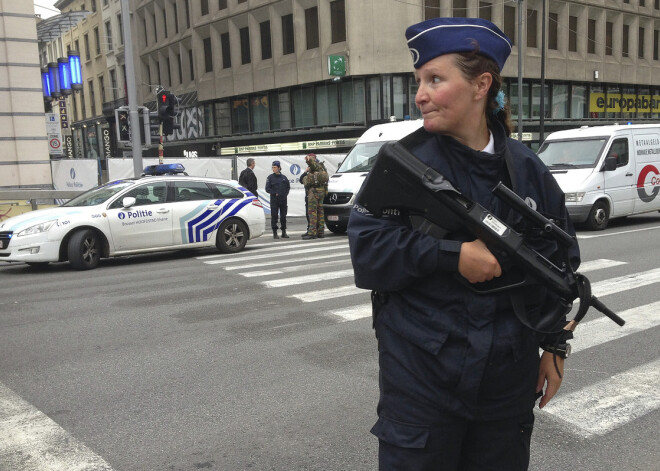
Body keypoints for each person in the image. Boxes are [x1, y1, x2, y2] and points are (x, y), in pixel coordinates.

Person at [347, 17, 580, 471]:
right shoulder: (403, 164)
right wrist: (453, 256)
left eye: (435, 79)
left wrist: (554, 345)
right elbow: (368, 251)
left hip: (506, 381)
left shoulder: (528, 169)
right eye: (419, 81)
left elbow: (559, 264)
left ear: (481, 85)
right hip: (421, 376)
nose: (420, 95)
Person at [301, 153, 327, 240]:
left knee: (312, 213)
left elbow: (312, 164)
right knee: (320, 212)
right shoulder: (322, 166)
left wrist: (309, 160)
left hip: (314, 192)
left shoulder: (315, 166)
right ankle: (321, 232)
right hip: (321, 191)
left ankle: (312, 233)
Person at [265, 160, 290, 239]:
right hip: (274, 200)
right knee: (274, 216)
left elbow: (288, 187)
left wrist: (285, 194)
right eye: (272, 167)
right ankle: (275, 232)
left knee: (283, 217)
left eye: (275, 167)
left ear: (279, 168)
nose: (273, 169)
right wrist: (274, 193)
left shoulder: (284, 178)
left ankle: (283, 232)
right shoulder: (270, 177)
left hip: (283, 200)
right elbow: (267, 189)